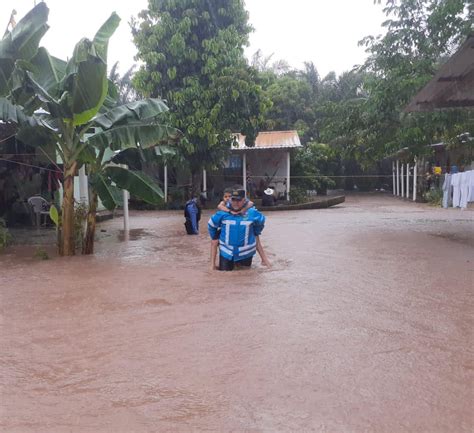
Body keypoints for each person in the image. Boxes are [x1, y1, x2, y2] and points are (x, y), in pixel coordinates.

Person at [208, 188, 271, 271]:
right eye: (233, 200)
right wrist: (215, 237)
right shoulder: (223, 213)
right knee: (224, 276)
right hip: (227, 251)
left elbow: (260, 224)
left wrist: (256, 232)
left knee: (245, 277)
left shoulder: (252, 213)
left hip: (246, 252)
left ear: (244, 200)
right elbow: (211, 224)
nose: (235, 203)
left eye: (238, 200)